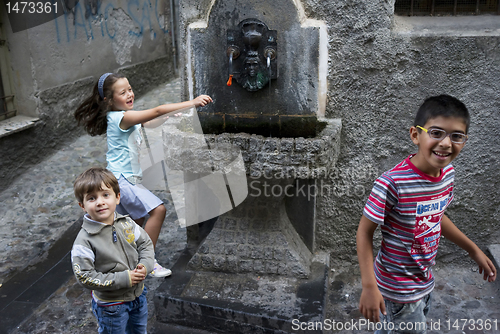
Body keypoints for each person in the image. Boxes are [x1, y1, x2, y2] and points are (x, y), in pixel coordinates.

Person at [356, 95, 497, 333]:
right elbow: (363, 232)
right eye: (436, 133)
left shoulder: (447, 174)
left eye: (456, 136)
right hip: (398, 289)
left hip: (423, 281)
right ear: (415, 135)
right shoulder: (392, 183)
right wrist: (369, 285)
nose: (446, 143)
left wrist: (472, 249)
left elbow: (436, 216)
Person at [75, 72, 213, 277]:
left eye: (130, 89)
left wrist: (168, 117)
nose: (130, 94)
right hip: (122, 179)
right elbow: (156, 110)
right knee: (158, 210)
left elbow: (150, 121)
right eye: (123, 92)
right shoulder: (120, 117)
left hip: (121, 178)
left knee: (130, 224)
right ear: (109, 100)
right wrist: (191, 103)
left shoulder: (124, 117)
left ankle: (114, 259)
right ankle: (146, 262)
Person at [71, 167, 155, 333]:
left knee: (139, 331)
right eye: (92, 198)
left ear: (117, 197)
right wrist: (125, 278)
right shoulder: (84, 241)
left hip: (138, 296)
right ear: (83, 205)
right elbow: (84, 276)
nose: (100, 202)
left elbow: (145, 244)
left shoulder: (127, 224)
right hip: (111, 305)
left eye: (105, 195)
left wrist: (145, 265)